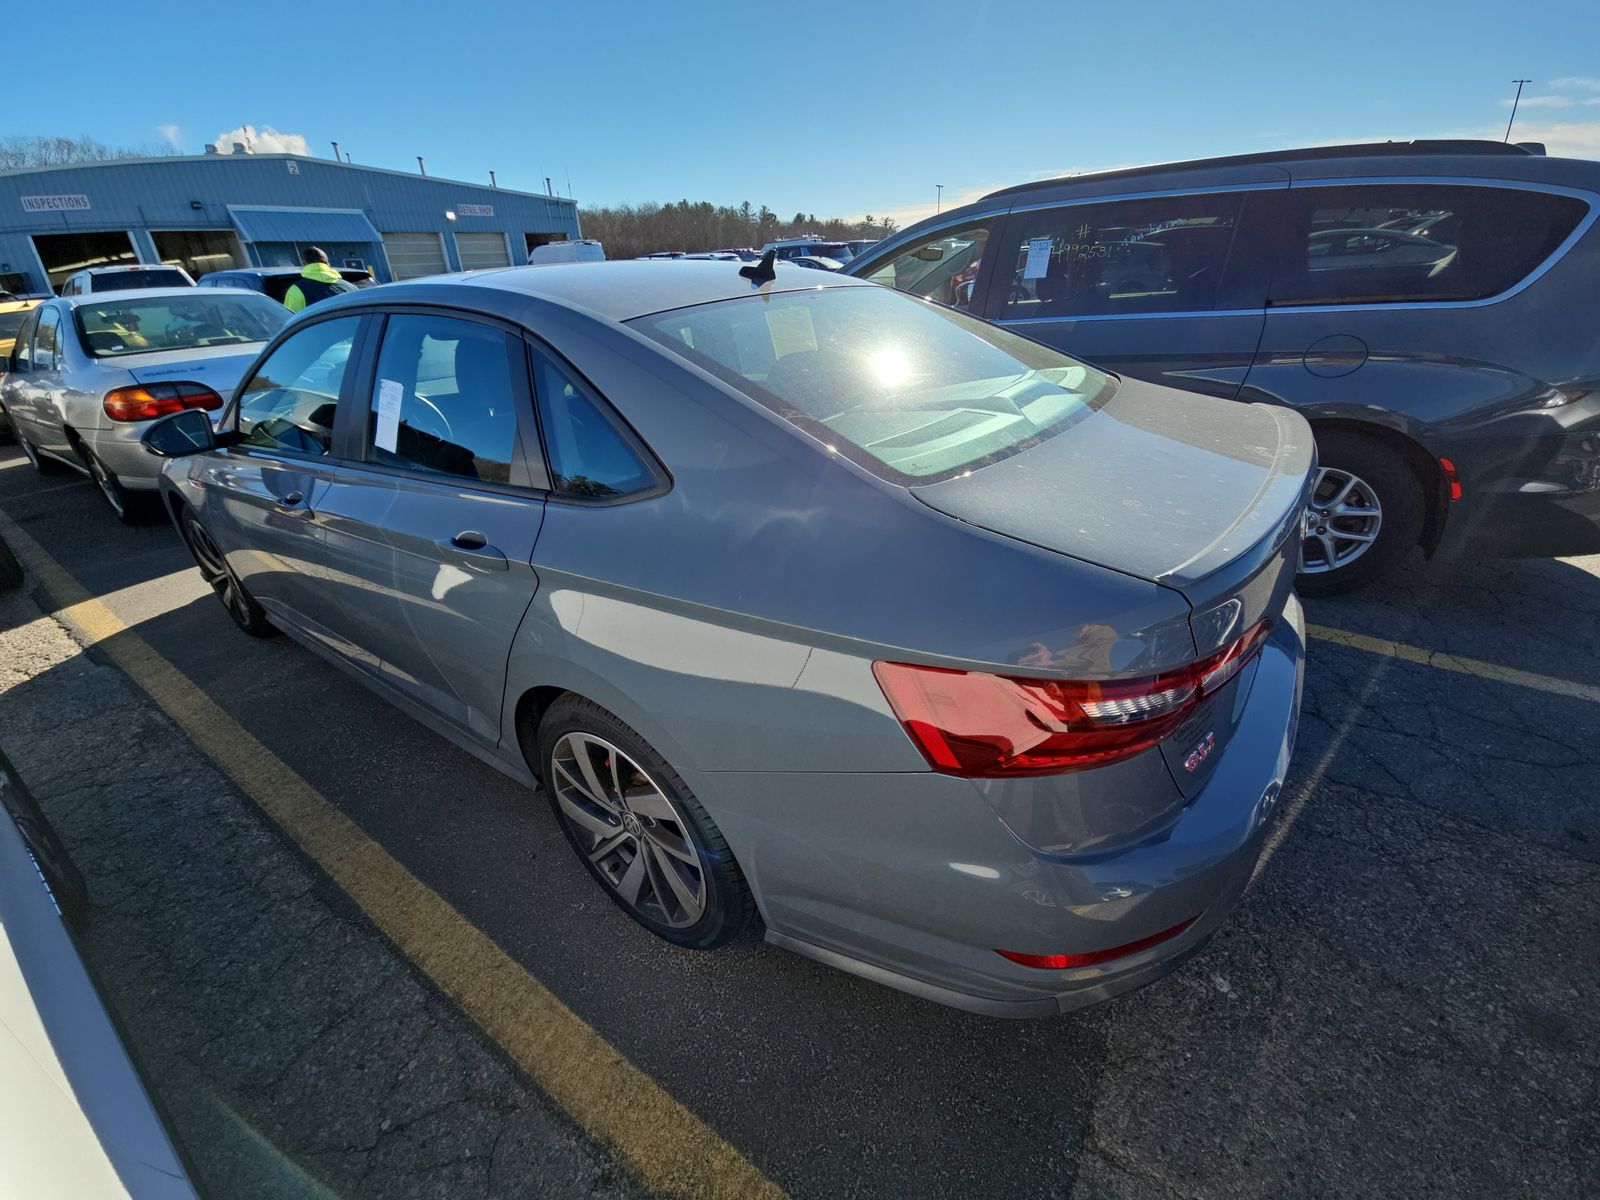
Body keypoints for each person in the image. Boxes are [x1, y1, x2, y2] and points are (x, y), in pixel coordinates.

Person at [283, 247, 356, 313]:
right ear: (328, 264)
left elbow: (290, 319)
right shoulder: (352, 287)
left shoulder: (297, 289)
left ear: (304, 263)